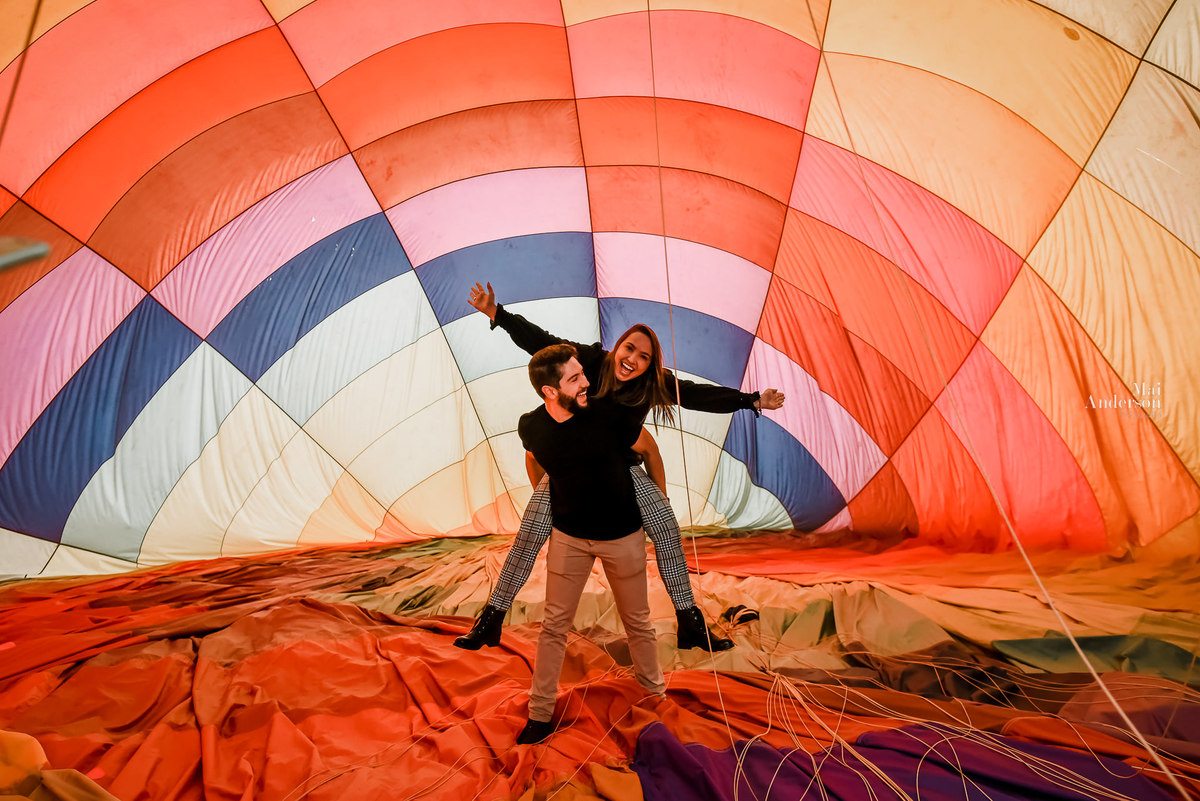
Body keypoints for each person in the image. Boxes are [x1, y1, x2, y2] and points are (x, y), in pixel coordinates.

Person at [454, 282, 785, 653]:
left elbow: (696, 395)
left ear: (650, 364)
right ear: (618, 347)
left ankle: (689, 623)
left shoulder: (653, 384)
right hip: (571, 470)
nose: (633, 360)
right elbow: (541, 343)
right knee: (529, 535)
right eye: (629, 348)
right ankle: (490, 621)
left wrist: (751, 400)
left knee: (667, 529)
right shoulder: (591, 361)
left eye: (644, 356)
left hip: (621, 470)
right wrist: (497, 314)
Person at [514, 343, 665, 744]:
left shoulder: (610, 415)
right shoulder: (532, 425)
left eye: (583, 373)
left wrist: (661, 507)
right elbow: (533, 455)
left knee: (638, 622)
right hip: (569, 538)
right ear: (550, 391)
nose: (587, 382)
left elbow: (649, 449)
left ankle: (655, 698)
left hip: (623, 536)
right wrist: (548, 496)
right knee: (553, 626)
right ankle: (540, 714)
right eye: (576, 377)